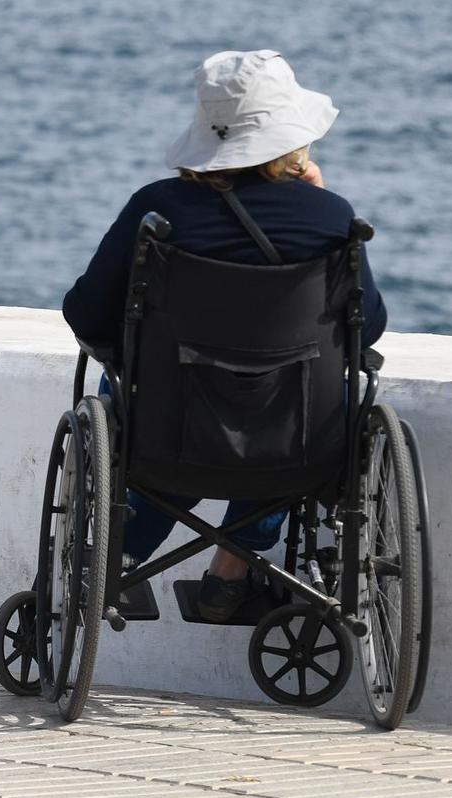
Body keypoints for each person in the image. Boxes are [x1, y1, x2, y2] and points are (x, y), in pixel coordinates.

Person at [61, 49, 386, 621]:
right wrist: (315, 202)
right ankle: (230, 575)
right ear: (291, 137)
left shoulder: (155, 210)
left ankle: (120, 555)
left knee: (170, 405)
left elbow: (87, 315)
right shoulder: (332, 219)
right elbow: (369, 330)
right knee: (288, 396)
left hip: (168, 437)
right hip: (299, 445)